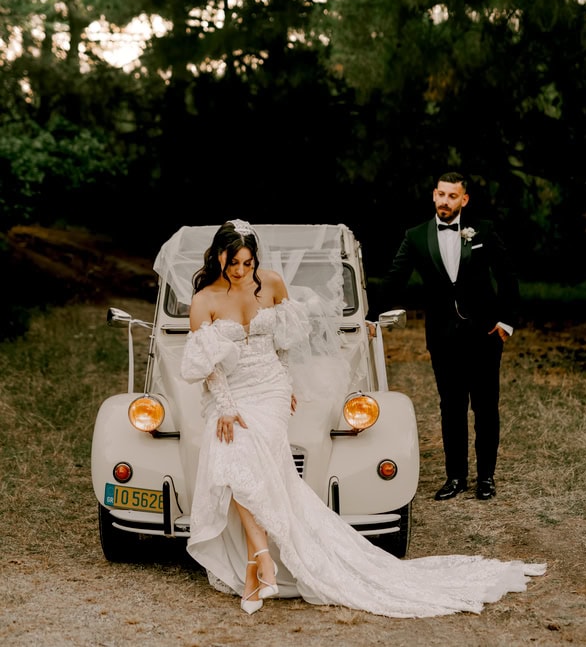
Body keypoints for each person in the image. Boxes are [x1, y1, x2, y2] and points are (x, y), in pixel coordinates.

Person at [179, 218, 543, 618]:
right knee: (235, 454)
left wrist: (283, 383)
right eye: (234, 263)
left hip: (270, 389)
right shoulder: (205, 300)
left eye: (247, 263)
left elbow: (284, 341)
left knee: (241, 455)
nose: (241, 271)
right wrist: (227, 406)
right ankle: (259, 560)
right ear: (218, 257)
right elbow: (208, 365)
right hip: (232, 392)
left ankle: (259, 562)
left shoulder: (271, 283)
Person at [382, 171, 520, 502]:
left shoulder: (483, 230)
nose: (445, 201)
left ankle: (486, 478)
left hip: (485, 334)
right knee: (451, 408)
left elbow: (507, 275)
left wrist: (506, 322)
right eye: (441, 195)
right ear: (434, 195)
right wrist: (368, 314)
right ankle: (455, 477)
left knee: (486, 408)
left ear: (464, 199)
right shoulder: (415, 236)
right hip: (443, 339)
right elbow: (394, 279)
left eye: (452, 196)